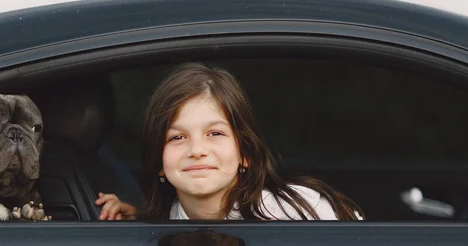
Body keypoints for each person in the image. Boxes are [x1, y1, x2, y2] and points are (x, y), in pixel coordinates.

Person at [96, 62, 363, 221]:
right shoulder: (163, 224)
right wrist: (135, 222)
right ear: (159, 162)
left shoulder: (298, 209)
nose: (197, 150)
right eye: (177, 137)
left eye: (215, 133)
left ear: (245, 153)